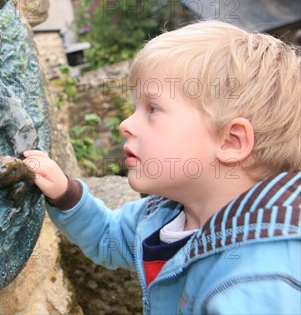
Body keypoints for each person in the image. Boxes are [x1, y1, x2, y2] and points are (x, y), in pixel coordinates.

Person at [24, 21, 300, 314]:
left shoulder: (258, 285)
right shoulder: (166, 214)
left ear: (230, 141)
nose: (125, 124)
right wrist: (67, 194)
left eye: (152, 109)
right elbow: (109, 236)